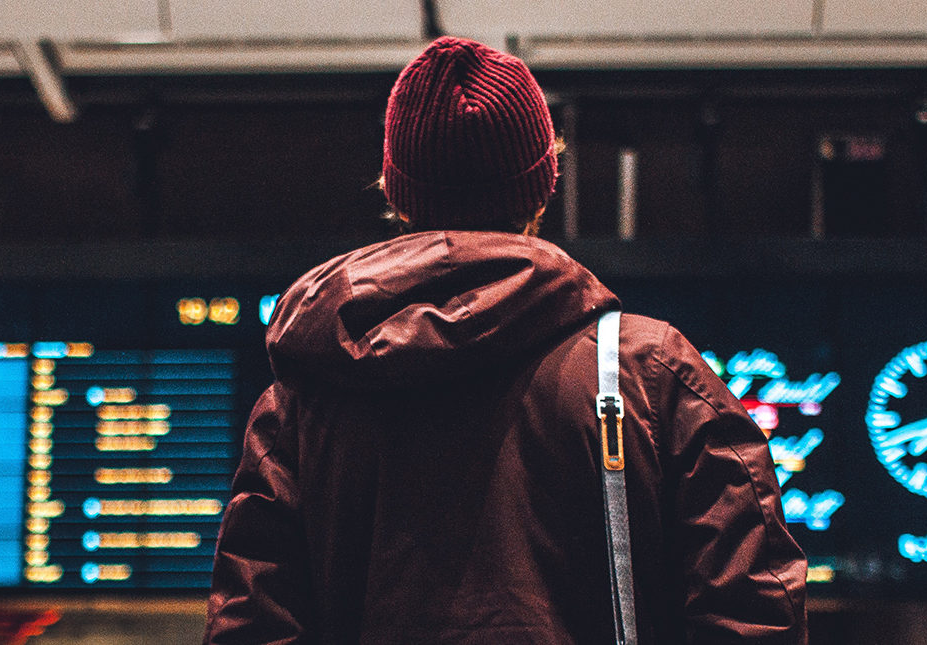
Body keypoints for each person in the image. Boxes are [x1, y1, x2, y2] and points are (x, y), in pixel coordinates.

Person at [205, 36, 806, 644]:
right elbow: (754, 615)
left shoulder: (305, 399)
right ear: (545, 182)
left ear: (394, 187)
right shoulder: (649, 376)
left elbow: (252, 627)